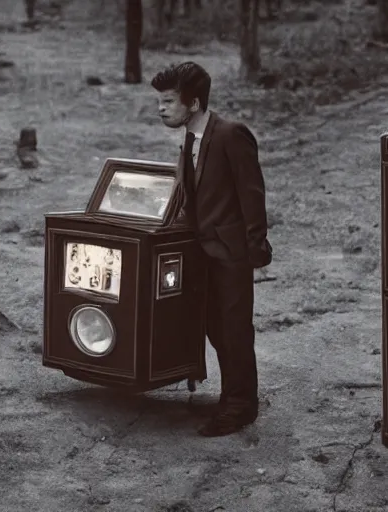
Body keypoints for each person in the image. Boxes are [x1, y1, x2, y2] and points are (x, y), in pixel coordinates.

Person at [151, 62, 273, 437]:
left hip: (231, 253)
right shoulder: (190, 137)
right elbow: (191, 196)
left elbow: (252, 195)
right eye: (160, 101)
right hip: (201, 253)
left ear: (193, 103)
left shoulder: (231, 134)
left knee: (234, 331)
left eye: (168, 101)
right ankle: (232, 397)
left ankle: (240, 407)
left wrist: (253, 248)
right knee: (215, 329)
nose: (161, 108)